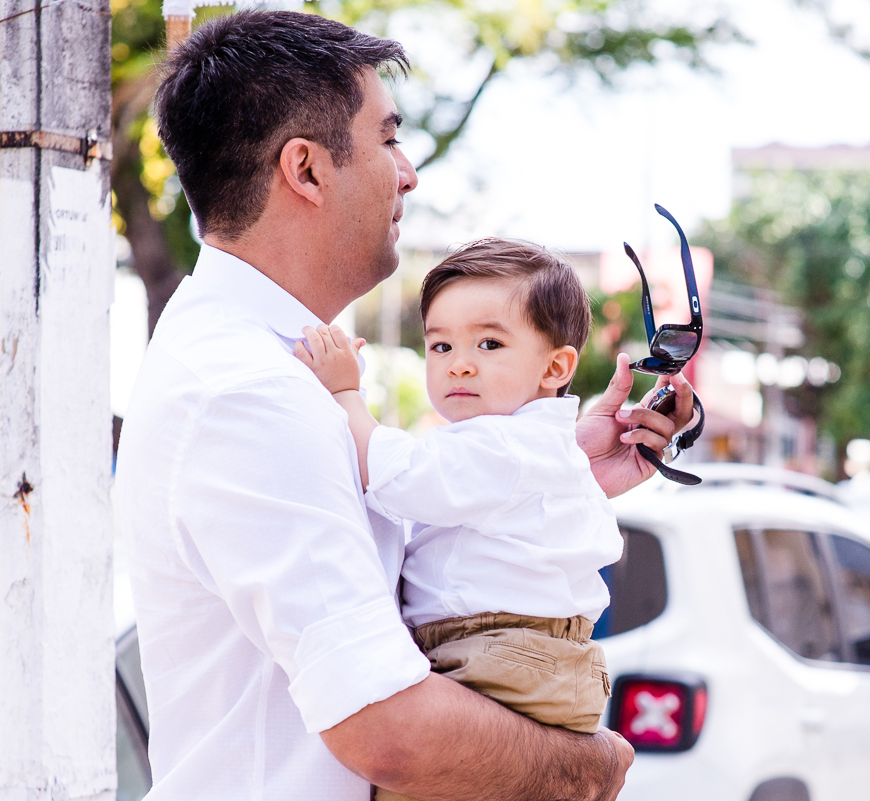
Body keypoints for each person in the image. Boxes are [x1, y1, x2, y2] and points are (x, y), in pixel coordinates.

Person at [114, 9, 694, 801]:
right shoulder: (248, 393)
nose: (410, 170)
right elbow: (385, 727)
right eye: (388, 138)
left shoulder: (270, 365)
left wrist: (554, 464)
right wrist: (593, 769)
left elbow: (402, 547)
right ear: (306, 170)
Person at [294, 239, 628, 801]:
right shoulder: (540, 448)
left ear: (556, 366)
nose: (460, 362)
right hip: (532, 657)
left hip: (496, 655)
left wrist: (345, 392)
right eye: (441, 345)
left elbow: (394, 474)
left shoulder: (501, 444)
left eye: (489, 343)